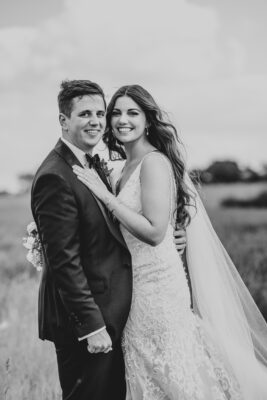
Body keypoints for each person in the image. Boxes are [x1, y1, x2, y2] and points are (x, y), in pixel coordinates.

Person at [73, 84, 267, 399]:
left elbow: (153, 232)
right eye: (117, 113)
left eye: (133, 113)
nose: (123, 120)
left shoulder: (153, 162)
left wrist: (107, 198)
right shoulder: (124, 169)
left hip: (158, 288)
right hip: (134, 287)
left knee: (175, 373)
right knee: (149, 372)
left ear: (148, 120)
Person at [31, 80, 186, 400]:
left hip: (136, 297)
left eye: (100, 113)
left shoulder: (96, 165)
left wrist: (172, 235)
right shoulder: (56, 173)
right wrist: (91, 326)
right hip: (87, 321)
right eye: (85, 114)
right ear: (64, 120)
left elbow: (137, 225)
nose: (98, 121)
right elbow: (64, 259)